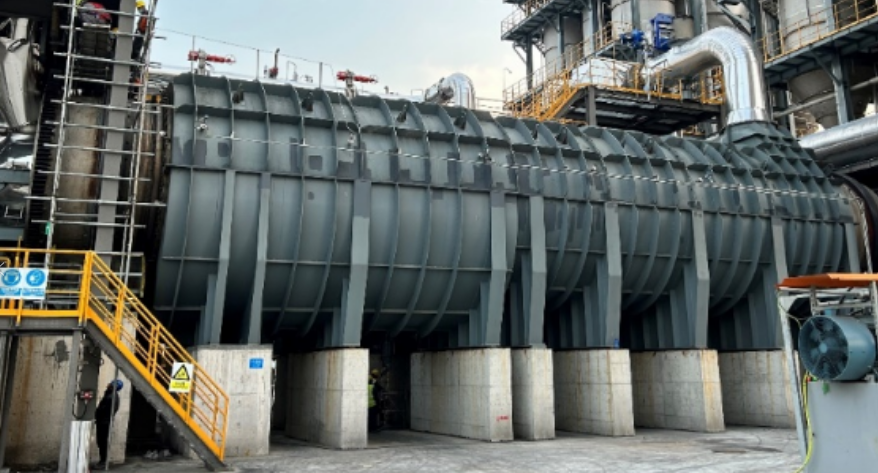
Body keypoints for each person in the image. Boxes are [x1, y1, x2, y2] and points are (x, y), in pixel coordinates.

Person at [94, 379, 123, 468]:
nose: (108, 384)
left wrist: (98, 414)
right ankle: (103, 461)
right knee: (101, 442)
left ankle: (103, 462)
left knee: (102, 442)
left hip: (104, 422)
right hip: (103, 421)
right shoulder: (110, 395)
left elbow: (104, 410)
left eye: (111, 384)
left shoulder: (111, 397)